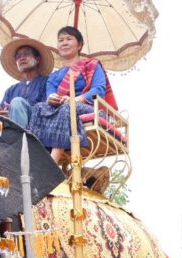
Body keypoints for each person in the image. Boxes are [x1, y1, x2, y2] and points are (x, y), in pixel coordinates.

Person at [27, 25, 116, 165]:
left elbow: (99, 90)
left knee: (68, 107)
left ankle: (52, 163)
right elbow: (50, 95)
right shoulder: (54, 76)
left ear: (79, 45)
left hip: (88, 108)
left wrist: (74, 99)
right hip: (61, 109)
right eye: (61, 40)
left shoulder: (91, 65)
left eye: (69, 39)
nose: (64, 42)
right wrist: (52, 99)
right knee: (39, 107)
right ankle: (36, 157)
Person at [0, 37, 53, 129]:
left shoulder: (47, 82)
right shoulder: (11, 90)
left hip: (39, 128)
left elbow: (48, 110)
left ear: (37, 59)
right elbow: (2, 112)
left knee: (17, 102)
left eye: (26, 54)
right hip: (11, 130)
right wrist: (1, 116)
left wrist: (15, 112)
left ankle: (21, 137)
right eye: (18, 57)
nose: (22, 58)